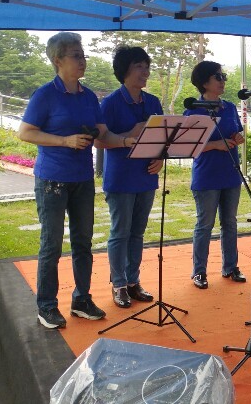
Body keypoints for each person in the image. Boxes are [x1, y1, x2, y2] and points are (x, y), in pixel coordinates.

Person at [18, 32, 133, 329]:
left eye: (83, 55)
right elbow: (25, 132)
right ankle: (46, 306)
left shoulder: (89, 96)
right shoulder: (45, 95)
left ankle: (82, 300)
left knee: (83, 243)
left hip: (83, 179)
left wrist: (128, 141)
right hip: (52, 180)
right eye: (76, 56)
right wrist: (65, 141)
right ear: (58, 60)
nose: (83, 61)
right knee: (51, 245)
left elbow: (103, 134)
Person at [94, 46, 163, 309]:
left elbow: (163, 137)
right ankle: (119, 284)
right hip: (121, 177)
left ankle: (133, 281)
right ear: (124, 71)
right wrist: (129, 136)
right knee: (120, 232)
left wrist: (160, 158)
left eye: (147, 67)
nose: (145, 72)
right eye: (139, 67)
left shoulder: (153, 102)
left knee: (137, 233)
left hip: (147, 175)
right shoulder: (110, 103)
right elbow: (99, 142)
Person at [184, 61, 247, 290]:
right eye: (218, 77)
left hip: (231, 173)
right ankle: (199, 271)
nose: (223, 81)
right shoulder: (193, 110)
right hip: (207, 176)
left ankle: (230, 267)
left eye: (223, 76)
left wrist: (237, 138)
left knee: (230, 222)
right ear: (204, 82)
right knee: (205, 224)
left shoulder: (229, 107)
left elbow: (236, 133)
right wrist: (215, 145)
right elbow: (189, 147)